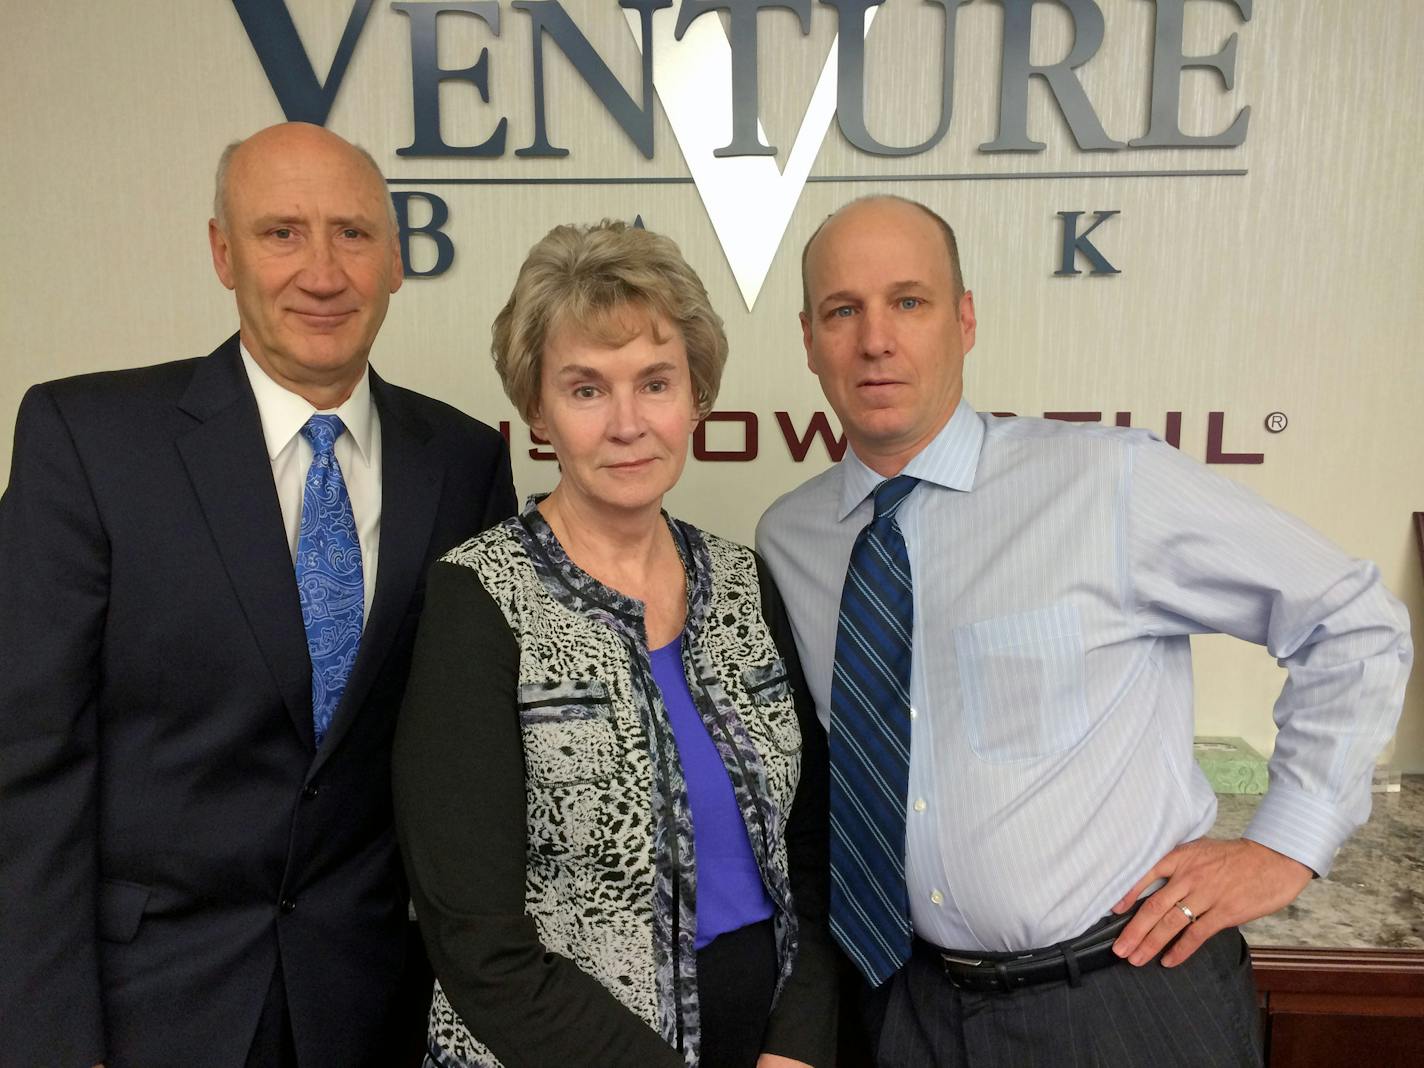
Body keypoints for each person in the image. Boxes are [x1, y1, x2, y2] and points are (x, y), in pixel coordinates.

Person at [756, 195, 1413, 1066]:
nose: (876, 338)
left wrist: (1286, 842)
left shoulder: (1109, 482)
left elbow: (1352, 619)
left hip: (1121, 999)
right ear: (809, 338)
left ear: (965, 319)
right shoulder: (789, 539)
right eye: (844, 310)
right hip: (903, 1008)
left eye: (908, 301)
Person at [0, 122, 516, 1068]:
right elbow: (27, 766)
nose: (322, 272)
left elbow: (463, 759)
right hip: (145, 1010)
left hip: (372, 1009)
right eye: (282, 233)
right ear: (222, 253)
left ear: (397, 261)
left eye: (353, 234)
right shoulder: (88, 441)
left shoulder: (465, 463)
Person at [393, 220, 837, 1068]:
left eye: (656, 382)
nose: (628, 423)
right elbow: (475, 940)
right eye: (588, 388)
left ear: (697, 394)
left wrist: (800, 1041)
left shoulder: (746, 581)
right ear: (537, 406)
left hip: (765, 1041)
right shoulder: (480, 595)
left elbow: (808, 853)